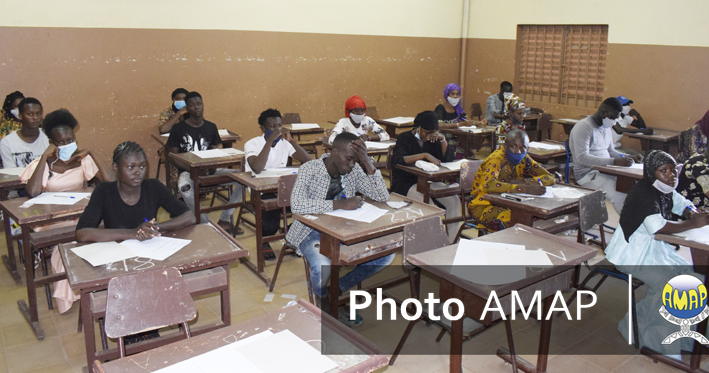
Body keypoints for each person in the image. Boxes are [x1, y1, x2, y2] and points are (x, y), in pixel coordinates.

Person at [75, 141, 195, 342]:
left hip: (149, 254)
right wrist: (132, 233)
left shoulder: (153, 187)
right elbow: (82, 233)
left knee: (156, 276)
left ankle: (149, 324)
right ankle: (135, 328)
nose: (138, 172)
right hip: (116, 257)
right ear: (116, 168)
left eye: (142, 166)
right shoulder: (104, 191)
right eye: (130, 167)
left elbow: (188, 217)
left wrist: (156, 228)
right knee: (131, 280)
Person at [605, 150, 709, 359]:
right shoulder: (642, 193)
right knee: (671, 285)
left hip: (653, 249)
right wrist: (692, 223)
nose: (671, 176)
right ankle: (657, 343)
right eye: (664, 171)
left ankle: (687, 336)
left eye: (673, 171)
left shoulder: (665, 187)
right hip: (630, 254)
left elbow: (681, 202)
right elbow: (659, 228)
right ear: (652, 173)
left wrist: (690, 212)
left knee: (693, 277)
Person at [287, 132, 391, 324]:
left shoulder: (354, 170)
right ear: (334, 151)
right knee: (322, 268)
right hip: (311, 231)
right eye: (349, 159)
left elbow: (382, 196)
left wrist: (367, 163)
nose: (351, 164)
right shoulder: (310, 169)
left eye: (355, 160)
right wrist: (339, 205)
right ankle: (324, 298)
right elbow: (297, 205)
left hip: (345, 230)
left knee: (386, 255)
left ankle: (336, 289)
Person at [19, 109, 113, 313]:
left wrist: (92, 153)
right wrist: (44, 158)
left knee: (104, 235)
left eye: (70, 140)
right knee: (71, 243)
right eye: (60, 142)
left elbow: (112, 182)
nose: (66, 145)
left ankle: (95, 285)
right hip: (54, 220)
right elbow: (33, 192)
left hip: (82, 215)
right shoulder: (44, 164)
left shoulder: (81, 160)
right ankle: (76, 289)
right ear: (52, 142)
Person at [165, 91, 243, 233]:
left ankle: (225, 219)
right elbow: (172, 157)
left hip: (210, 170)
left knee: (244, 179)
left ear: (203, 105)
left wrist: (212, 167)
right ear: (187, 108)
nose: (196, 107)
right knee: (184, 186)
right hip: (188, 172)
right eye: (192, 105)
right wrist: (191, 169)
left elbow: (215, 153)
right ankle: (205, 223)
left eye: (199, 104)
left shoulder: (211, 127)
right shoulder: (178, 129)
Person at [244, 108, 312, 260]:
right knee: (272, 220)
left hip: (282, 187)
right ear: (263, 128)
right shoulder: (252, 144)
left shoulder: (284, 143)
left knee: (308, 210)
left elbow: (308, 161)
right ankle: (265, 240)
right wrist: (269, 141)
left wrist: (292, 141)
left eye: (280, 126)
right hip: (260, 190)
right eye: (272, 127)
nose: (277, 130)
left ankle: (292, 239)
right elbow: (257, 167)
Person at [391, 111, 460, 242]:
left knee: (454, 200)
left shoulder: (434, 139)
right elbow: (397, 160)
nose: (429, 136)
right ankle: (435, 243)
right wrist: (424, 155)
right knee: (429, 206)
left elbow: (448, 159)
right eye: (426, 132)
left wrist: (443, 140)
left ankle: (452, 241)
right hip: (406, 183)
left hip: (428, 181)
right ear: (418, 128)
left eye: (432, 133)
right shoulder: (405, 137)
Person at [468, 129, 555, 232]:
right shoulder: (496, 159)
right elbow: (489, 185)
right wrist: (524, 189)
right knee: (516, 220)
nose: (518, 151)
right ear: (505, 146)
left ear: (528, 148)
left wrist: (526, 182)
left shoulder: (524, 158)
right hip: (484, 205)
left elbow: (549, 177)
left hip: (510, 203)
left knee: (533, 218)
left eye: (523, 148)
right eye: (513, 146)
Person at [569, 97, 643, 214]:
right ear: (603, 111)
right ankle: (630, 226)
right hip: (588, 174)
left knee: (633, 187)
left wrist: (625, 157)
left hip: (606, 170)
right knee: (619, 195)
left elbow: (611, 151)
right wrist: (614, 162)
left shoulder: (606, 127)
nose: (614, 122)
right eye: (613, 118)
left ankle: (641, 220)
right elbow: (582, 158)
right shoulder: (584, 127)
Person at [434, 83, 488, 158]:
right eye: (452, 94)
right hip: (445, 138)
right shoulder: (440, 108)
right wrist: (459, 125)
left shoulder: (458, 109)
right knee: (457, 153)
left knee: (469, 153)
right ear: (447, 95)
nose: (455, 96)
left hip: (457, 136)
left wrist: (480, 122)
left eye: (457, 94)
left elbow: (467, 120)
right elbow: (439, 125)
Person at [0, 97, 49, 168]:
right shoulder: (7, 143)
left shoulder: (49, 137)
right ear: (20, 115)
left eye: (38, 114)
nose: (35, 118)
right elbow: (11, 174)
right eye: (30, 114)